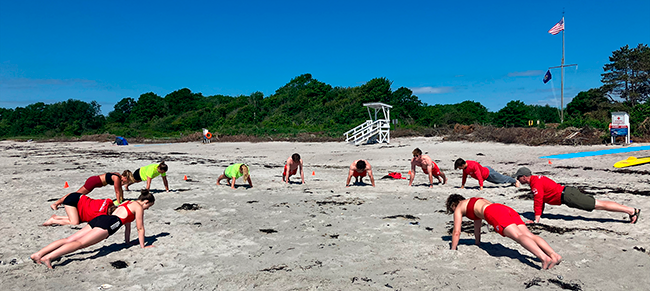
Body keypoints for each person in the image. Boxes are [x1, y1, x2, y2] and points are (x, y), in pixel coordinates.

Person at [31, 190, 155, 269]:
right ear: (145, 201)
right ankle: (49, 257)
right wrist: (143, 246)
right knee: (79, 244)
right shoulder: (138, 207)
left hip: (101, 218)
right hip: (111, 223)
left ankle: (38, 254)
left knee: (70, 239)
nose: (147, 209)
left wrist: (127, 242)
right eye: (149, 206)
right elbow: (140, 228)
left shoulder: (128, 202)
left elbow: (128, 226)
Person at [446, 194, 562, 270]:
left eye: (452, 209)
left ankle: (543, 258)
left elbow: (457, 231)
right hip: (503, 208)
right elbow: (477, 225)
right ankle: (554, 255)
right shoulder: (475, 200)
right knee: (528, 234)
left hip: (493, 212)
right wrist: (477, 243)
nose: (453, 212)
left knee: (518, 236)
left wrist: (453, 249)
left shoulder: (459, 207)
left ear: (453, 204)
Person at [513, 167, 640, 224]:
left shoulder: (535, 183)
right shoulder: (536, 179)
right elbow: (542, 200)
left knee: (597, 204)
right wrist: (540, 215)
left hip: (568, 196)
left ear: (524, 177)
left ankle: (631, 210)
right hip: (568, 194)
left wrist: (536, 220)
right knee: (597, 204)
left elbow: (538, 200)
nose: (518, 180)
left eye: (519, 178)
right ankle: (630, 211)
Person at [50, 171, 134, 210]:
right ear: (125, 178)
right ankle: (56, 203)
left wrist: (122, 199)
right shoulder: (116, 178)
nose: (127, 183)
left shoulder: (118, 176)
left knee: (77, 194)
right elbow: (117, 191)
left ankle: (59, 202)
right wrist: (119, 203)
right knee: (76, 195)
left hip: (94, 181)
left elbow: (120, 190)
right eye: (128, 181)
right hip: (93, 182)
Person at [43, 192, 115, 226]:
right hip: (72, 202)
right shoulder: (101, 214)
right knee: (74, 222)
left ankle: (57, 217)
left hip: (79, 196)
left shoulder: (108, 201)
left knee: (77, 219)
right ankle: (53, 221)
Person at [454, 158, 520, 190]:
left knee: (501, 180)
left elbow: (479, 175)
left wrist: (481, 186)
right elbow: (464, 177)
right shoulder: (464, 168)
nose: (459, 169)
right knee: (498, 182)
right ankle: (512, 181)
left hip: (489, 173)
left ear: (463, 165)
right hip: (484, 173)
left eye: (459, 167)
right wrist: (462, 186)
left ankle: (515, 181)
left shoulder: (473, 165)